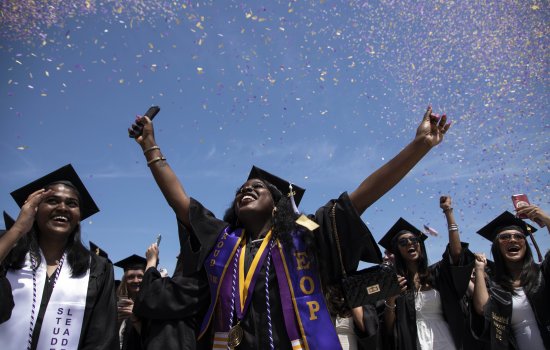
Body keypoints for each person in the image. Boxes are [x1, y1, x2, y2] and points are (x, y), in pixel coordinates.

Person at [128, 106, 450, 349]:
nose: (246, 190)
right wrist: (150, 147)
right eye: (241, 190)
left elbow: (360, 198)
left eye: (258, 188)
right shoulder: (224, 242)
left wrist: (419, 146)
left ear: (279, 202)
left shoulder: (303, 239)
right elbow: (181, 202)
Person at [0, 164, 118, 349]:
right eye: (52, 201)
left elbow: (101, 337)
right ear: (35, 208)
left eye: (72, 204)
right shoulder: (9, 252)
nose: (63, 207)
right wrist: (18, 229)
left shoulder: (97, 267)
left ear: (79, 216)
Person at [378, 195, 475, 350]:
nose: (410, 243)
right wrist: (390, 300)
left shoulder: (436, 274)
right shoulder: (396, 283)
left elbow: (456, 253)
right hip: (412, 341)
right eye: (403, 242)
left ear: (420, 245)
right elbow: (388, 329)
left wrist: (448, 212)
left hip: (445, 338)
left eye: (414, 240)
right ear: (397, 251)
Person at [472, 207, 550, 349]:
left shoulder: (543, 273)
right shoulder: (497, 286)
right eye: (505, 237)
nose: (512, 240)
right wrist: (479, 269)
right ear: (497, 246)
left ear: (525, 244)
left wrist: (546, 219)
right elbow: (484, 309)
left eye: (518, 236)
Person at [133, 242, 210, 350]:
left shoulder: (193, 284)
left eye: (182, 253)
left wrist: (151, 261)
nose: (177, 256)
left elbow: (147, 297)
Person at [114, 254, 147, 350]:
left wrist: (135, 318)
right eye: (131, 277)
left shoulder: (152, 304)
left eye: (140, 276)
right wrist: (117, 321)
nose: (136, 280)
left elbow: (154, 339)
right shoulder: (117, 304)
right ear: (125, 280)